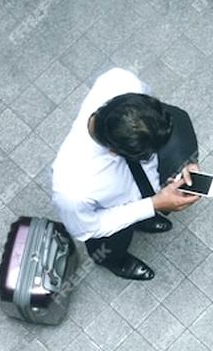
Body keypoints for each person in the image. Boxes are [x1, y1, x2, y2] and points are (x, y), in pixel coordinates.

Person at [50, 68, 201, 280]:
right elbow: (89, 228)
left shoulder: (120, 81)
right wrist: (153, 205)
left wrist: (185, 162)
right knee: (111, 246)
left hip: (141, 192)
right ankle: (117, 262)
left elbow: (168, 118)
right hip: (111, 217)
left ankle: (144, 219)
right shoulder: (72, 189)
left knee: (144, 205)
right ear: (117, 152)